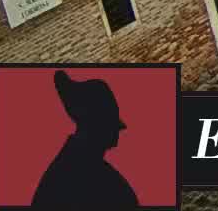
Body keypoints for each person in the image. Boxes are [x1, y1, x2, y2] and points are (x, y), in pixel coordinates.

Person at [31, 71, 139, 206]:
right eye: (109, 123)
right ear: (96, 124)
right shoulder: (74, 173)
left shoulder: (77, 167)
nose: (117, 132)